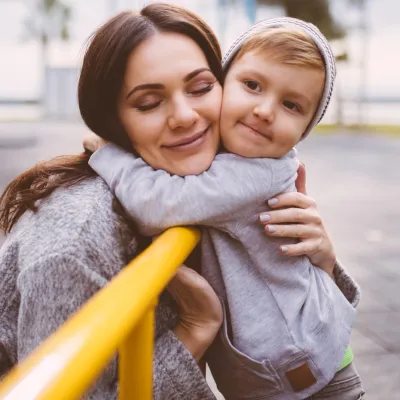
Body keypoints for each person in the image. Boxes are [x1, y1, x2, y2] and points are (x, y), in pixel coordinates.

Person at [0, 4, 359, 400]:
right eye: (149, 102)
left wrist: (321, 258)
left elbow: (168, 205)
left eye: (201, 87)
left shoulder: (240, 168)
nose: (186, 116)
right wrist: (193, 329)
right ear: (109, 117)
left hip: (306, 373)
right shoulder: (74, 241)